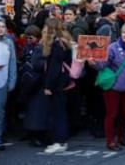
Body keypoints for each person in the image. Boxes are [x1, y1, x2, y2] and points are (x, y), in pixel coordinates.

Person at [90, 23, 125, 151]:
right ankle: (110, 141)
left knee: (124, 114)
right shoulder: (112, 47)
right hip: (113, 87)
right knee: (112, 114)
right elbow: (102, 66)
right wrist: (92, 62)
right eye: (124, 32)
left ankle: (121, 138)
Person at [42, 18, 74, 154]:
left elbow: (54, 68)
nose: (43, 30)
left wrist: (48, 86)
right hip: (64, 81)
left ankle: (59, 142)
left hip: (57, 84)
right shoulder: (64, 41)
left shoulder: (56, 44)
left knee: (57, 113)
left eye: (45, 27)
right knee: (60, 112)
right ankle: (60, 141)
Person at [0, 19, 17, 151]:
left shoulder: (9, 42)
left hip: (2, 81)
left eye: (3, 26)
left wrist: (12, 81)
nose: (0, 29)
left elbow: (12, 63)